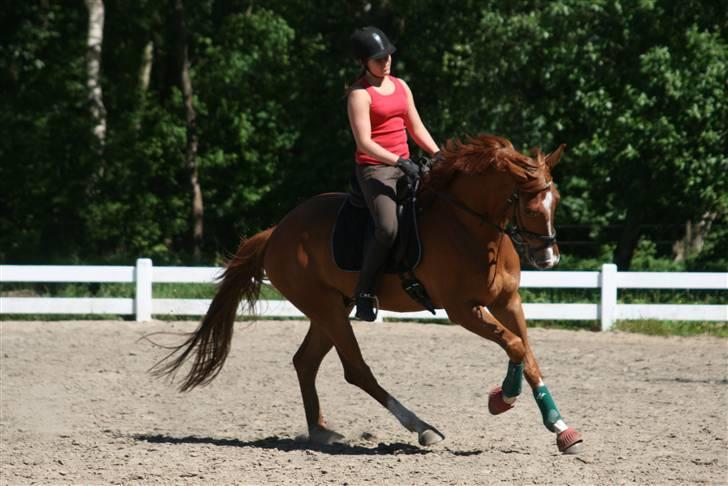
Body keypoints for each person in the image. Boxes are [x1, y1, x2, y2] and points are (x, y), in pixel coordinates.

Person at [347, 26, 440, 321]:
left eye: (388, 55)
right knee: (387, 228)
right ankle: (363, 292)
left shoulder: (401, 86)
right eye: (378, 58)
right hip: (376, 168)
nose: (386, 61)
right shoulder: (359, 94)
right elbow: (364, 142)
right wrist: (399, 161)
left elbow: (416, 127)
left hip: (405, 164)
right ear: (364, 62)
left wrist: (440, 156)